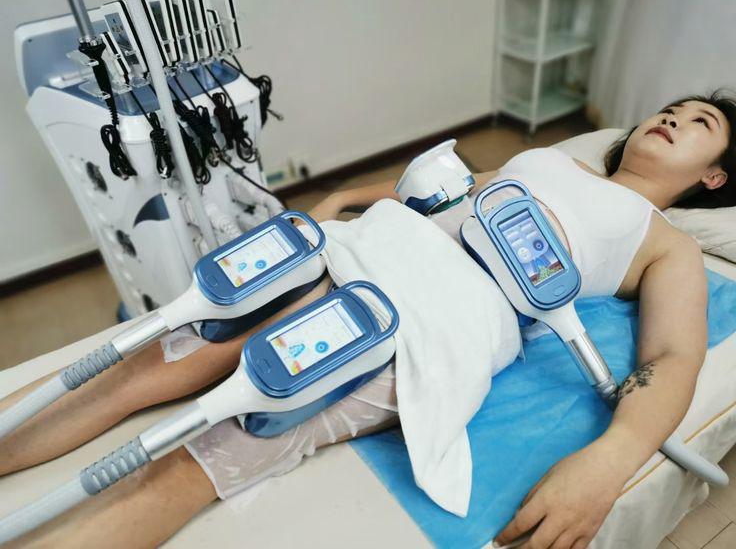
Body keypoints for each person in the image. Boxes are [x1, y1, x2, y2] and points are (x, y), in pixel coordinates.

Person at [1, 91, 735, 548]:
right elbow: (447, 188)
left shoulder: (665, 245)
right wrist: (342, 200)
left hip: (414, 326)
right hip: (349, 250)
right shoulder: (548, 161)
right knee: (134, 375)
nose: (671, 117)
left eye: (699, 121)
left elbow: (675, 357)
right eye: (670, 108)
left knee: (188, 466)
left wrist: (611, 460)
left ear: (715, 177)